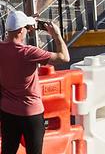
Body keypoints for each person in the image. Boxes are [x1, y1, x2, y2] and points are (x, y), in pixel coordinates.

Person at [0, 11, 69, 154]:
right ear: (20, 30)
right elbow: (64, 57)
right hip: (31, 113)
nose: (28, 30)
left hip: (7, 111)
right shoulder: (29, 52)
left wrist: (28, 20)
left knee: (8, 150)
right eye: (27, 27)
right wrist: (56, 35)